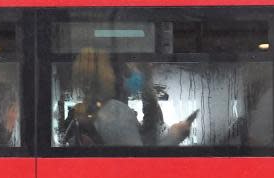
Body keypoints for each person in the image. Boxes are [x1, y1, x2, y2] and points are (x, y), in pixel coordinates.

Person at [64, 48, 192, 147]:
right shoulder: (115, 112)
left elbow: (148, 131)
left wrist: (147, 83)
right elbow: (140, 163)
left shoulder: (92, 108)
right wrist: (175, 136)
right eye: (126, 70)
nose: (129, 74)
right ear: (109, 74)